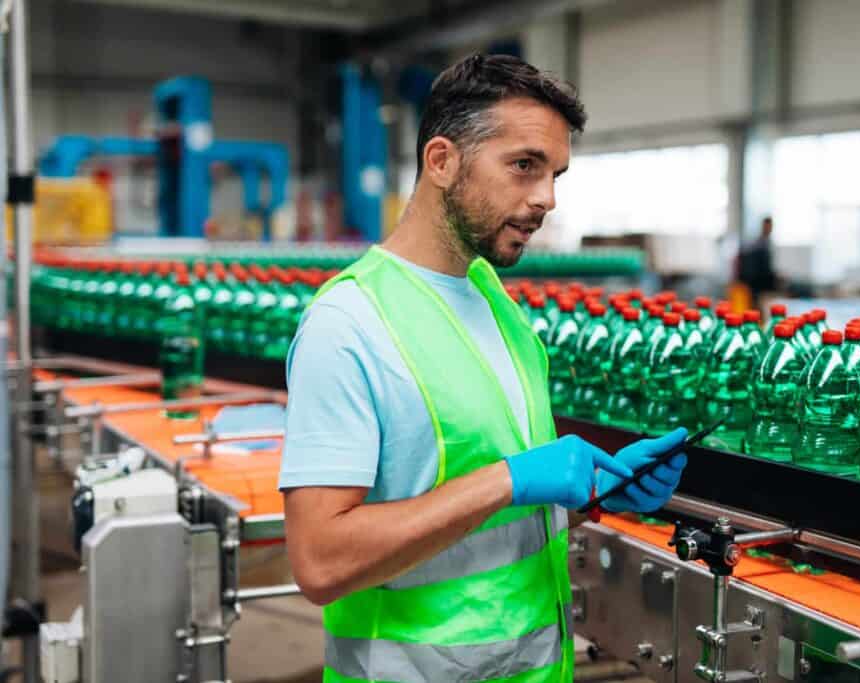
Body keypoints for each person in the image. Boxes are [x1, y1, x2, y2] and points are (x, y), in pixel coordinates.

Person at [280, 54, 688, 683]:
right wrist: (513, 478)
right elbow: (320, 562)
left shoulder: (500, 307)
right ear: (441, 161)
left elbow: (493, 516)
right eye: (524, 166)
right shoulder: (349, 324)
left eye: (555, 174)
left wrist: (590, 493)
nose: (546, 198)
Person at [737, 216, 779, 306]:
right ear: (763, 226)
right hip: (756, 282)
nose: (769, 228)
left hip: (762, 282)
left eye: (770, 226)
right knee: (757, 305)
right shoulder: (757, 244)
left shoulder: (767, 243)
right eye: (767, 226)